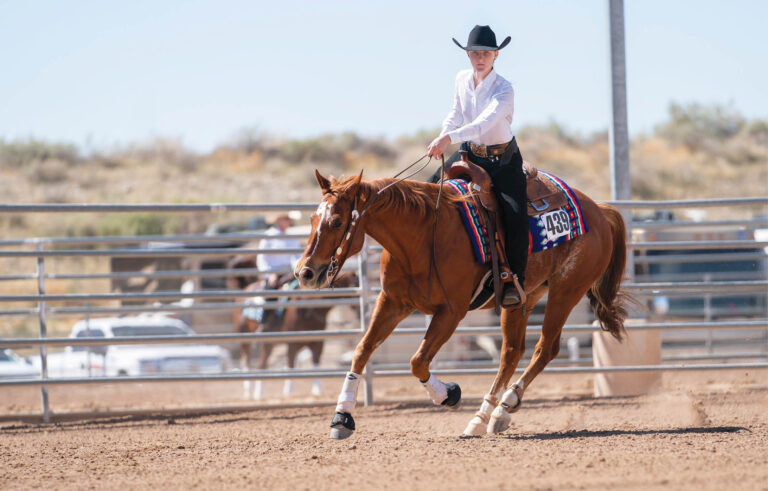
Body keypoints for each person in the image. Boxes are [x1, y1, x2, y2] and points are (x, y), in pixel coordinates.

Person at [426, 25, 528, 307]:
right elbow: (456, 112)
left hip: (503, 161)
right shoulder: (461, 78)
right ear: (468, 55)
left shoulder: (504, 89)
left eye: (485, 53)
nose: (479, 58)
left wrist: (449, 137)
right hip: (470, 153)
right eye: (474, 53)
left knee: (515, 215)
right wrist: (443, 134)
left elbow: (485, 122)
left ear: (495, 55)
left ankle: (514, 280)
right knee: (429, 192)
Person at [257, 212, 302, 288]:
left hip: (289, 273)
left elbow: (298, 257)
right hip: (273, 274)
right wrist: (270, 274)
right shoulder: (268, 236)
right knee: (270, 294)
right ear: (278, 220)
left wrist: (295, 270)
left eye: (289, 219)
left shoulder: (293, 238)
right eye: (286, 219)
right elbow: (262, 259)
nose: (289, 221)